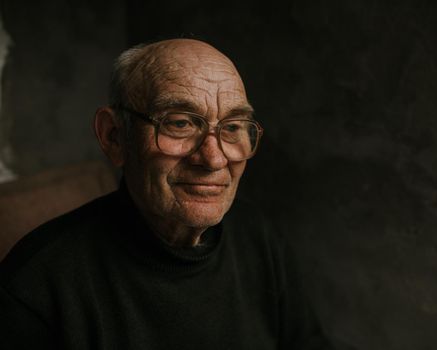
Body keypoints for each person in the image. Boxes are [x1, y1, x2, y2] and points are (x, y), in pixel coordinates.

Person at [0, 39, 337, 349]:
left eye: (233, 127)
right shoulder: (35, 286)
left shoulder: (256, 236)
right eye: (180, 123)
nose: (214, 158)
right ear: (115, 137)